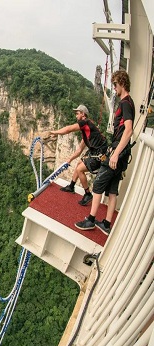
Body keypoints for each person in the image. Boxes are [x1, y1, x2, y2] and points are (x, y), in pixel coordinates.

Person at [75, 70, 134, 235]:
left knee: (98, 184)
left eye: (115, 84)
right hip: (122, 154)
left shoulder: (125, 103)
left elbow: (128, 131)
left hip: (118, 152)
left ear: (121, 83)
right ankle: (106, 224)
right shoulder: (129, 103)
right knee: (112, 190)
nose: (114, 88)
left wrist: (115, 153)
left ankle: (91, 220)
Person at [50, 104, 108, 206]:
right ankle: (71, 186)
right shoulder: (87, 131)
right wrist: (70, 159)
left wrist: (55, 132)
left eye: (77, 113)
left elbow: (69, 129)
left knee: (80, 169)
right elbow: (80, 149)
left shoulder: (86, 123)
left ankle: (88, 194)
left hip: (99, 155)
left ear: (83, 114)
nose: (76, 116)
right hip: (95, 153)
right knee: (80, 163)